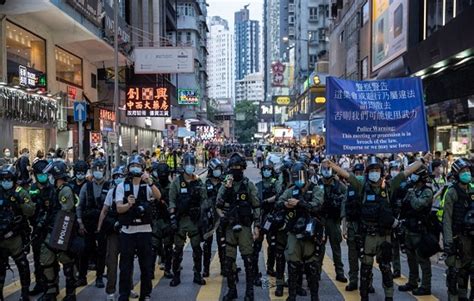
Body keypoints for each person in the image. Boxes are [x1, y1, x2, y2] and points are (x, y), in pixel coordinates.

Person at [326, 155, 427, 301]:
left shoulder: (389, 186)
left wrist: (422, 161)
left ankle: (389, 296)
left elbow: (406, 173)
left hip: (384, 236)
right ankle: (364, 296)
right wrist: (332, 165)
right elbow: (348, 175)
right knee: (366, 269)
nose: (375, 172)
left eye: (377, 170)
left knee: (386, 268)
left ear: (382, 171)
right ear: (368, 172)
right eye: (372, 170)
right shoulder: (362, 187)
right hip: (368, 237)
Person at [115, 155, 161, 301]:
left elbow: (158, 196)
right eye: (133, 165)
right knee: (125, 267)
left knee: (146, 267)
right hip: (127, 232)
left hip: (145, 231)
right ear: (128, 168)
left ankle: (145, 294)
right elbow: (118, 209)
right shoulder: (122, 186)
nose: (135, 168)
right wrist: (128, 205)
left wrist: (150, 181)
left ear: (143, 169)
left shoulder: (146, 185)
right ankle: (124, 294)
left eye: (138, 166)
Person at [277, 161, 324, 301]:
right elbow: (279, 202)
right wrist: (286, 205)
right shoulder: (291, 190)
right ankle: (292, 296)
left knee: (312, 267)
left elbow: (317, 206)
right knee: (292, 265)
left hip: (310, 234)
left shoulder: (316, 189)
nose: (298, 180)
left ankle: (314, 297)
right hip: (294, 233)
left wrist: (299, 203)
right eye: (295, 177)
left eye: (300, 177)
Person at [216, 153, 260, 301]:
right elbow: (218, 205)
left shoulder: (248, 185)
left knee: (248, 260)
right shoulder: (225, 184)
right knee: (229, 261)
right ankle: (232, 290)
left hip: (245, 227)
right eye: (233, 167)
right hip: (229, 227)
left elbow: (256, 206)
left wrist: (257, 226)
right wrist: (223, 217)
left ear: (243, 168)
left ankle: (249, 292)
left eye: (238, 167)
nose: (236, 170)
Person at [40, 161, 79, 301]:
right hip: (53, 230)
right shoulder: (55, 189)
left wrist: (59, 235)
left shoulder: (65, 190)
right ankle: (51, 291)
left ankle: (70, 293)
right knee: (46, 260)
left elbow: (65, 213)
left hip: (62, 231)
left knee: (67, 262)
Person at [168, 153, 207, 286]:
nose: (190, 167)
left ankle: (197, 274)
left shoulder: (198, 181)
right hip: (181, 220)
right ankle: (176, 275)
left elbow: (204, 199)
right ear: (183, 166)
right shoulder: (176, 182)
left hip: (194, 220)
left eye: (192, 164)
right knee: (177, 249)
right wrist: (173, 218)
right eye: (187, 165)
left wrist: (203, 216)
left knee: (197, 249)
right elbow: (172, 201)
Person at [0, 164, 35, 301]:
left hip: (15, 237)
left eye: (8, 179)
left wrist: (20, 203)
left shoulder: (20, 192)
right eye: (3, 179)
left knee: (22, 265)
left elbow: (30, 211)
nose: (5, 181)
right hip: (1, 238)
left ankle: (25, 293)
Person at [398, 165, 434, 295]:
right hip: (409, 228)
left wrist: (411, 194)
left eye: (415, 174)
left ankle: (426, 285)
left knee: (423, 259)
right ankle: (413, 281)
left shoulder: (427, 191)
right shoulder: (411, 189)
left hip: (420, 230)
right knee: (410, 257)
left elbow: (417, 205)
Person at [442, 158, 474, 301]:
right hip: (457, 239)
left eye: (468, 171)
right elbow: (447, 219)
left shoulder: (472, 190)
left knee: (468, 272)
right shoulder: (452, 192)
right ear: (456, 174)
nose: (466, 173)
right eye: (463, 171)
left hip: (471, 239)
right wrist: (448, 243)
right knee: (454, 274)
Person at [76, 158, 110, 288]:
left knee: (101, 251)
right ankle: (82, 277)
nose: (98, 171)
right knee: (85, 250)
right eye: (96, 169)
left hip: (104, 224)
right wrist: (80, 223)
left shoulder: (109, 185)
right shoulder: (87, 186)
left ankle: (99, 277)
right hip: (88, 224)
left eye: (100, 169)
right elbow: (79, 206)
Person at [28, 160, 56, 296]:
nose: (43, 177)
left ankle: (52, 285)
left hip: (49, 229)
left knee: (51, 260)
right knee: (38, 258)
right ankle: (40, 283)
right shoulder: (32, 188)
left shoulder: (52, 189)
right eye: (40, 175)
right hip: (36, 230)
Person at [319, 161, 347, 283]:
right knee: (319, 248)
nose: (326, 171)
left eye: (328, 168)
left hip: (334, 221)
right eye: (324, 168)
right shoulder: (317, 184)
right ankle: (316, 272)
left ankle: (340, 272)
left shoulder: (339, 185)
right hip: (321, 220)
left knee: (336, 248)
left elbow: (346, 198)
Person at [253, 159, 278, 286]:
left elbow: (279, 195)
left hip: (272, 218)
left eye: (269, 170)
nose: (267, 172)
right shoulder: (258, 185)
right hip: (260, 217)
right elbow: (254, 201)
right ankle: (254, 270)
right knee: (256, 244)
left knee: (272, 244)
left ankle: (270, 267)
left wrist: (267, 201)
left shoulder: (276, 184)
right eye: (265, 170)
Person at [150, 162, 174, 279]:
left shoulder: (172, 187)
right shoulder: (154, 186)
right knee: (154, 247)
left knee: (168, 247)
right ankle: (150, 271)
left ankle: (168, 269)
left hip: (167, 220)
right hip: (156, 220)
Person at [203, 158, 225, 277]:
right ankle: (205, 268)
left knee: (222, 243)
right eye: (216, 169)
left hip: (221, 217)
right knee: (207, 244)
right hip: (209, 218)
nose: (218, 171)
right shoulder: (205, 184)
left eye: (220, 169)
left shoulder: (224, 183)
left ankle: (224, 267)